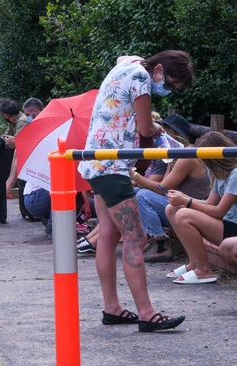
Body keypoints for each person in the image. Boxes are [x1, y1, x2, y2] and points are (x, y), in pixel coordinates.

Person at [77, 50, 194, 331]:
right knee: (136, 236)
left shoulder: (127, 67)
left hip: (97, 163)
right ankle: (147, 312)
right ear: (160, 69)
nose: (169, 89)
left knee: (107, 234)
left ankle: (112, 308)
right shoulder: (141, 76)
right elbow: (144, 126)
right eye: (172, 83)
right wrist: (161, 133)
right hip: (113, 166)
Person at [132, 115, 210, 262]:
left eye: (163, 133)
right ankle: (152, 239)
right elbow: (165, 187)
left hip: (193, 208)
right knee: (136, 193)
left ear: (175, 135)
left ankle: (161, 243)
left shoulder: (186, 156)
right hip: (180, 205)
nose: (159, 138)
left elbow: (162, 189)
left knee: (142, 195)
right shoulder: (174, 155)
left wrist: (134, 176)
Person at [165, 131, 237, 284]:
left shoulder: (235, 173)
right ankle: (194, 264)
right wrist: (183, 200)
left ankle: (204, 270)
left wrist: (187, 201)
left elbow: (219, 212)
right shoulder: (221, 174)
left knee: (184, 214)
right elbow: (211, 204)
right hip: (227, 224)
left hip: (233, 227)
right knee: (172, 209)